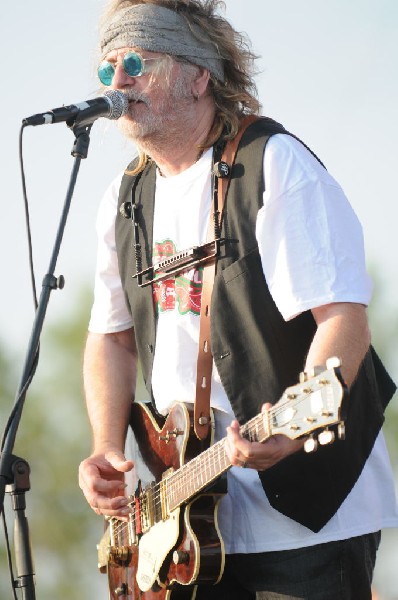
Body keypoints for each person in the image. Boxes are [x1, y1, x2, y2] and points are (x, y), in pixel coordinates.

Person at [78, 1, 398, 598]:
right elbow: (112, 338)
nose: (116, 84)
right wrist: (104, 447)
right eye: (106, 70)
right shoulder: (124, 199)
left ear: (199, 76)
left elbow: (344, 320)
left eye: (135, 64)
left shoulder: (274, 165)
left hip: (308, 522)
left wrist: (295, 432)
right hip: (189, 532)